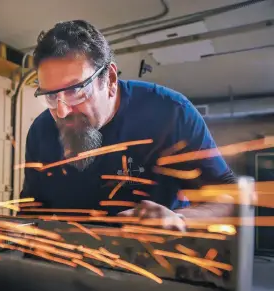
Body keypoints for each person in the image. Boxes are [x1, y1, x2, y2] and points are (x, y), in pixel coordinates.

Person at [19, 20, 237, 231]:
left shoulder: (170, 113)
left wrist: (181, 219)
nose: (62, 111)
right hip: (72, 261)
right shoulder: (41, 130)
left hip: (152, 261)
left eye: (76, 91)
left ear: (111, 79)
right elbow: (31, 212)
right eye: (50, 96)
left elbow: (229, 198)